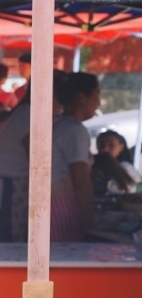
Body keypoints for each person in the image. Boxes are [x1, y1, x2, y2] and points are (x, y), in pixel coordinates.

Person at [51, 71, 100, 241]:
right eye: (96, 94)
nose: (98, 102)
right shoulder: (75, 130)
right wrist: (91, 221)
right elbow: (80, 180)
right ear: (82, 97)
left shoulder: (57, 124)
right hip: (63, 209)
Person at [0, 85, 31, 242]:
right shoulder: (26, 115)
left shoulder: (21, 114)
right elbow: (36, 157)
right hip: (9, 193)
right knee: (10, 245)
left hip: (4, 191)